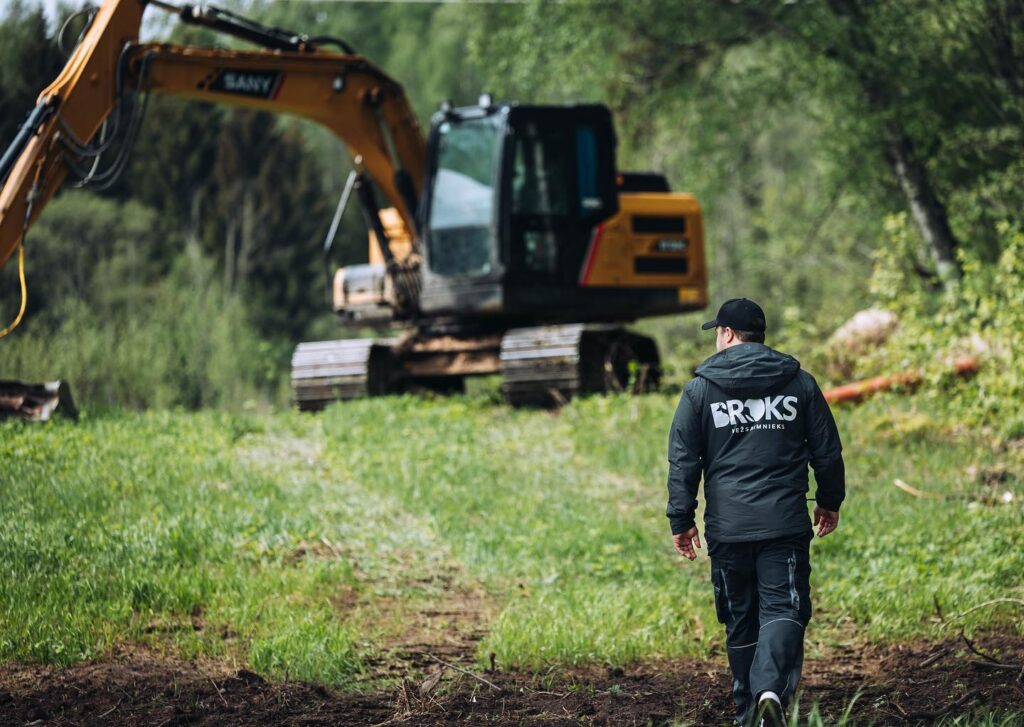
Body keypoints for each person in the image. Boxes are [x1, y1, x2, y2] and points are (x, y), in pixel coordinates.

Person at [665, 298, 845, 727]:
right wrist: (829, 499)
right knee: (784, 608)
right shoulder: (799, 383)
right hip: (783, 524)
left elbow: (684, 460)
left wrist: (681, 518)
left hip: (728, 529)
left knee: (740, 618)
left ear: (726, 334)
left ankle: (751, 710)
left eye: (716, 332)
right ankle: (768, 696)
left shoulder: (699, 391)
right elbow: (827, 451)